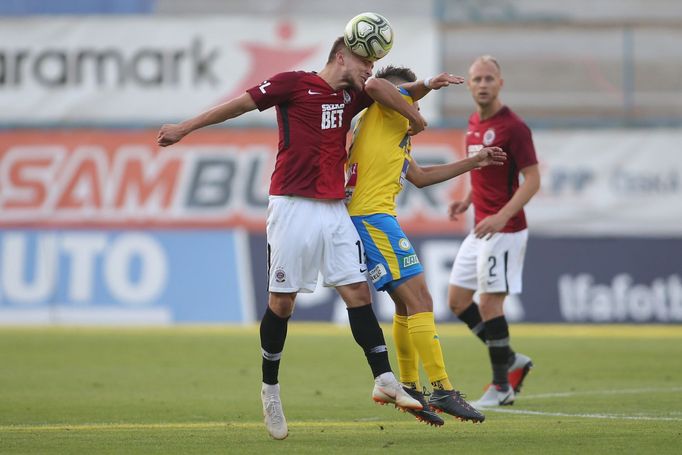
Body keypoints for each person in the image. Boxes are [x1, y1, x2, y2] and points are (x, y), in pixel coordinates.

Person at [158, 37, 428, 440]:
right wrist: (185, 127)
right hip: (291, 206)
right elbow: (238, 105)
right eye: (364, 61)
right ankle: (270, 390)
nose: (369, 70)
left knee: (358, 293)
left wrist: (430, 84)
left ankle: (385, 378)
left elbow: (394, 91)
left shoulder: (356, 94)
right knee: (282, 303)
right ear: (341, 55)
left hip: (335, 208)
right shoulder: (292, 84)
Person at [346, 65, 506, 426]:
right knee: (422, 300)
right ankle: (442, 388)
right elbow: (375, 85)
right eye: (409, 98)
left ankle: (410, 387)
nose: (416, 107)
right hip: (372, 217)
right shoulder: (384, 107)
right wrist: (426, 88)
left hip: (372, 217)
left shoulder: (391, 131)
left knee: (407, 305)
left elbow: (420, 177)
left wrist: (474, 162)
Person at [446, 55, 540, 408]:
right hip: (481, 226)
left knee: (489, 302)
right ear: (469, 85)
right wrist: (468, 199)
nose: (482, 84)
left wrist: (501, 216)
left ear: (500, 83)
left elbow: (532, 179)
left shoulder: (514, 127)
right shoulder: (472, 122)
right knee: (457, 302)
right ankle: (511, 359)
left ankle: (501, 386)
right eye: (477, 79)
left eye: (489, 78)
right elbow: (485, 170)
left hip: (506, 229)